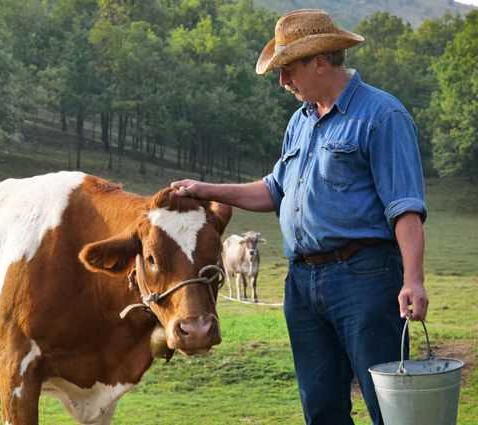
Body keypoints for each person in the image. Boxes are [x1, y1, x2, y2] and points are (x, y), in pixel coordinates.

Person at [171, 9, 428, 425]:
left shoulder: (382, 116)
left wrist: (413, 280)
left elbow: (405, 206)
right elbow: (274, 190)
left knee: (391, 405)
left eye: (287, 70)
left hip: (364, 277)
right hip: (303, 285)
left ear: (320, 61)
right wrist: (206, 189)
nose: (282, 82)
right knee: (321, 407)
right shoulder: (300, 122)